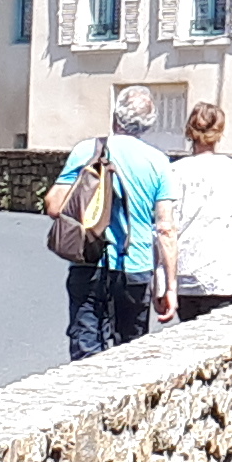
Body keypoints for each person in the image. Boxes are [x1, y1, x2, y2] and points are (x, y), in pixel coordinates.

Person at [50, 119, 172, 359]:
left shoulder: (87, 150)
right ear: (148, 125)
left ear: (116, 119)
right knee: (131, 350)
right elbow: (165, 229)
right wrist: (170, 285)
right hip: (135, 265)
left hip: (89, 260)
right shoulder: (157, 160)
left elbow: (54, 205)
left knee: (86, 345)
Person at [157, 99, 232, 324]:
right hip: (223, 273)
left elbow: (166, 228)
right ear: (219, 132)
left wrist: (162, 281)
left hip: (185, 274)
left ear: (189, 132)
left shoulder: (174, 172)